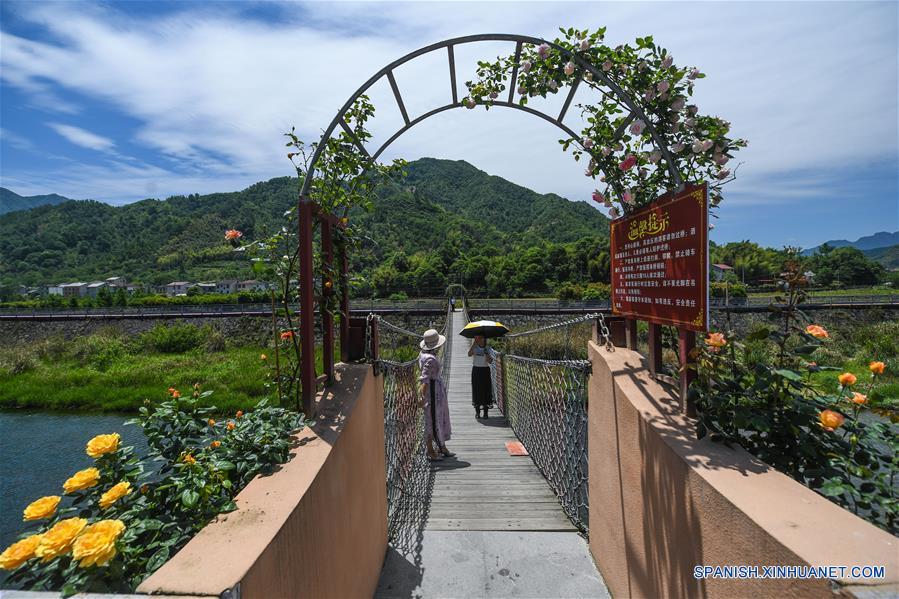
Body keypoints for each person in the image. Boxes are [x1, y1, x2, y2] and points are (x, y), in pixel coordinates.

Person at [418, 328, 454, 460]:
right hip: (433, 393)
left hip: (436, 391)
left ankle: (441, 446)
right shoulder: (431, 359)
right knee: (433, 419)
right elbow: (425, 378)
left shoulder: (423, 355)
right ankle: (431, 451)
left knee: (436, 418)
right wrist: (422, 395)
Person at [468, 335, 496, 419]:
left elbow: (490, 361)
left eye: (481, 338)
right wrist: (473, 344)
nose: (479, 340)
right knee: (477, 390)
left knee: (485, 390)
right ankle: (477, 412)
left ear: (484, 339)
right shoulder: (475, 348)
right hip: (476, 370)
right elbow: (469, 354)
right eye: (477, 338)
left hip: (485, 370)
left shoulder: (488, 348)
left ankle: (486, 413)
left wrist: (486, 353)